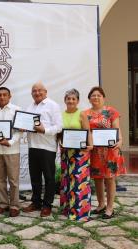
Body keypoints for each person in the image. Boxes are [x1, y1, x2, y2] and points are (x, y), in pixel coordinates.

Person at [84, 86, 126, 219]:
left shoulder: (111, 111)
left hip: (110, 151)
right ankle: (101, 204)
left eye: (98, 95)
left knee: (109, 179)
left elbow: (117, 128)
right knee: (97, 178)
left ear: (103, 97)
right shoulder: (85, 114)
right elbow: (85, 132)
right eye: (93, 95)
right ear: (89, 98)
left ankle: (110, 207)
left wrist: (120, 140)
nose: (96, 97)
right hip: (95, 151)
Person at [22, 82, 62, 217]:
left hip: (47, 147)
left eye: (39, 90)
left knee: (49, 178)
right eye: (34, 91)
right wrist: (22, 126)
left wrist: (44, 130)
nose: (37, 93)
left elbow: (59, 127)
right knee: (35, 177)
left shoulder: (53, 105)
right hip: (33, 146)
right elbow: (26, 123)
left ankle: (47, 205)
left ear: (45, 91)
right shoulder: (30, 107)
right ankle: (36, 202)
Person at [59, 89, 92, 221]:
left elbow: (87, 131)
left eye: (73, 98)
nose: (71, 101)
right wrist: (60, 142)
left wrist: (91, 146)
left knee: (79, 182)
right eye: (68, 98)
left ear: (77, 101)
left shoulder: (82, 114)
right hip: (66, 152)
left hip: (80, 153)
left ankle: (80, 213)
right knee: (67, 181)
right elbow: (59, 133)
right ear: (65, 100)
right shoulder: (61, 115)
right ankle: (67, 209)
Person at [0, 87, 22, 217]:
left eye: (5, 95)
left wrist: (10, 142)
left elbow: (20, 131)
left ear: (10, 96)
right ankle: (3, 203)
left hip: (12, 150)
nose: (2, 97)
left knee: (13, 180)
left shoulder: (16, 110)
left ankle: (14, 205)